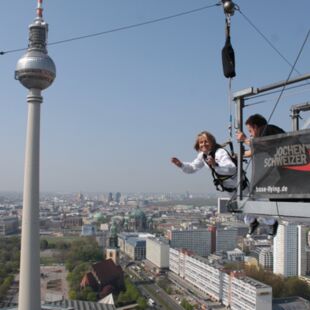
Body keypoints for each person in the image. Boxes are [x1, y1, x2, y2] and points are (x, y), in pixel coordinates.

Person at [236, 114, 285, 239]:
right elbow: (255, 150)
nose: (251, 134)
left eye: (250, 131)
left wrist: (245, 139)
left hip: (281, 174)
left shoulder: (269, 130)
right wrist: (238, 156)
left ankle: (268, 223)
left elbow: (263, 146)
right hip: (279, 172)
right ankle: (259, 222)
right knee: (255, 196)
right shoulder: (267, 133)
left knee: (257, 195)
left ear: (256, 127)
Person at [171, 131, 238, 195]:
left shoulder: (220, 152)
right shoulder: (203, 155)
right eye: (201, 142)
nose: (203, 144)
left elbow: (232, 169)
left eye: (206, 141)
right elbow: (193, 167)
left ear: (212, 142)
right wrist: (181, 165)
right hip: (229, 190)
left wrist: (215, 165)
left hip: (240, 187)